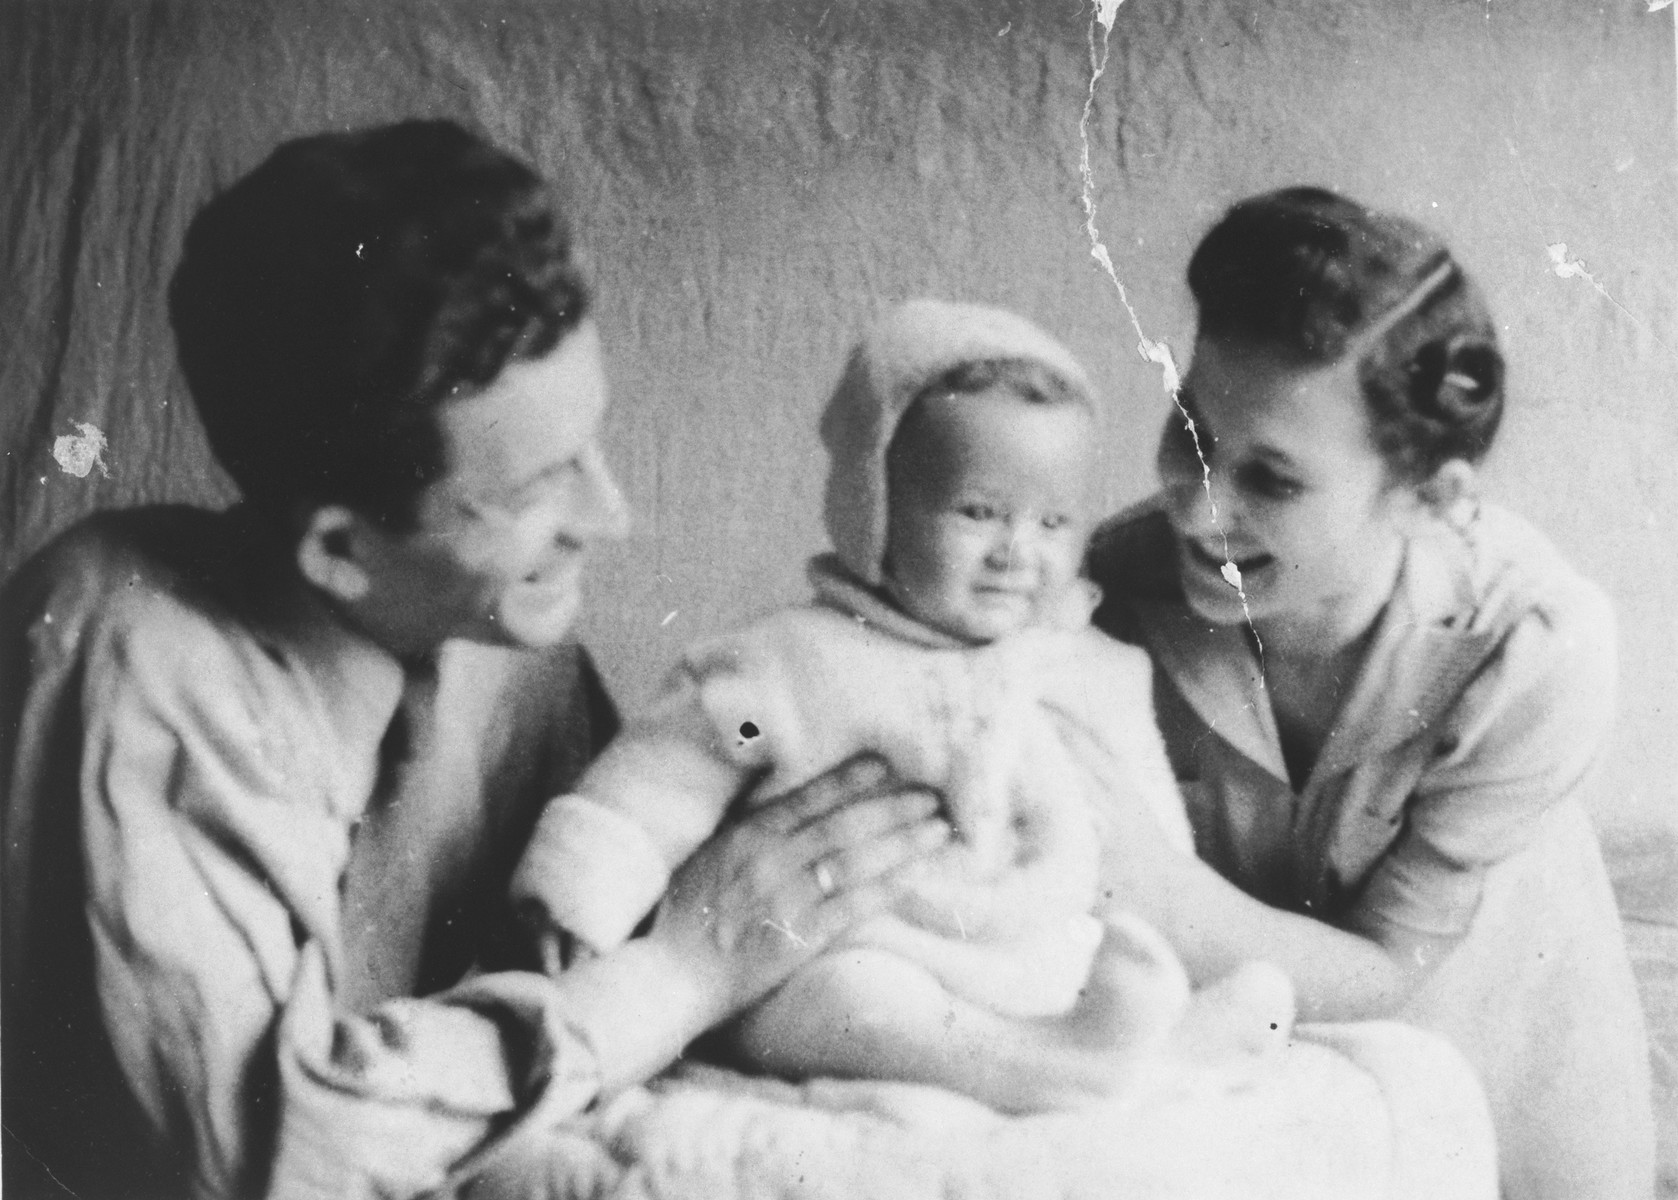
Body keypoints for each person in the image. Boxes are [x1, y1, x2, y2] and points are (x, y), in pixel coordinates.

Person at [0, 119, 951, 1200]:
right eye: (537, 485)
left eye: (591, 444)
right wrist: (681, 973)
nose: (612, 513)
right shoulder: (127, 660)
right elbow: (269, 1157)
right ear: (341, 550)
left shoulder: (503, 642)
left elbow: (607, 908)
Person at [510, 298, 1291, 1114]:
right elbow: (674, 774)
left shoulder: (1088, 672)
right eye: (979, 513)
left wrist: (1160, 945)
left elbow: (1148, 843)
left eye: (1054, 520)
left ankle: (1142, 1051)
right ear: (874, 507)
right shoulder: (789, 668)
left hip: (1031, 956)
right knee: (845, 995)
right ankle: (1049, 1067)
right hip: (851, 947)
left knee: (1104, 960)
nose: (1018, 551)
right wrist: (581, 893)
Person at [1084, 186, 1656, 1200]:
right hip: (1250, 1035)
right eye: (1191, 432)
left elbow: (1392, 972)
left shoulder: (1533, 650)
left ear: (1427, 496)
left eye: (1272, 479)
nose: (1197, 506)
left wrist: (1151, 891)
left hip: (1484, 1020)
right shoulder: (1107, 595)